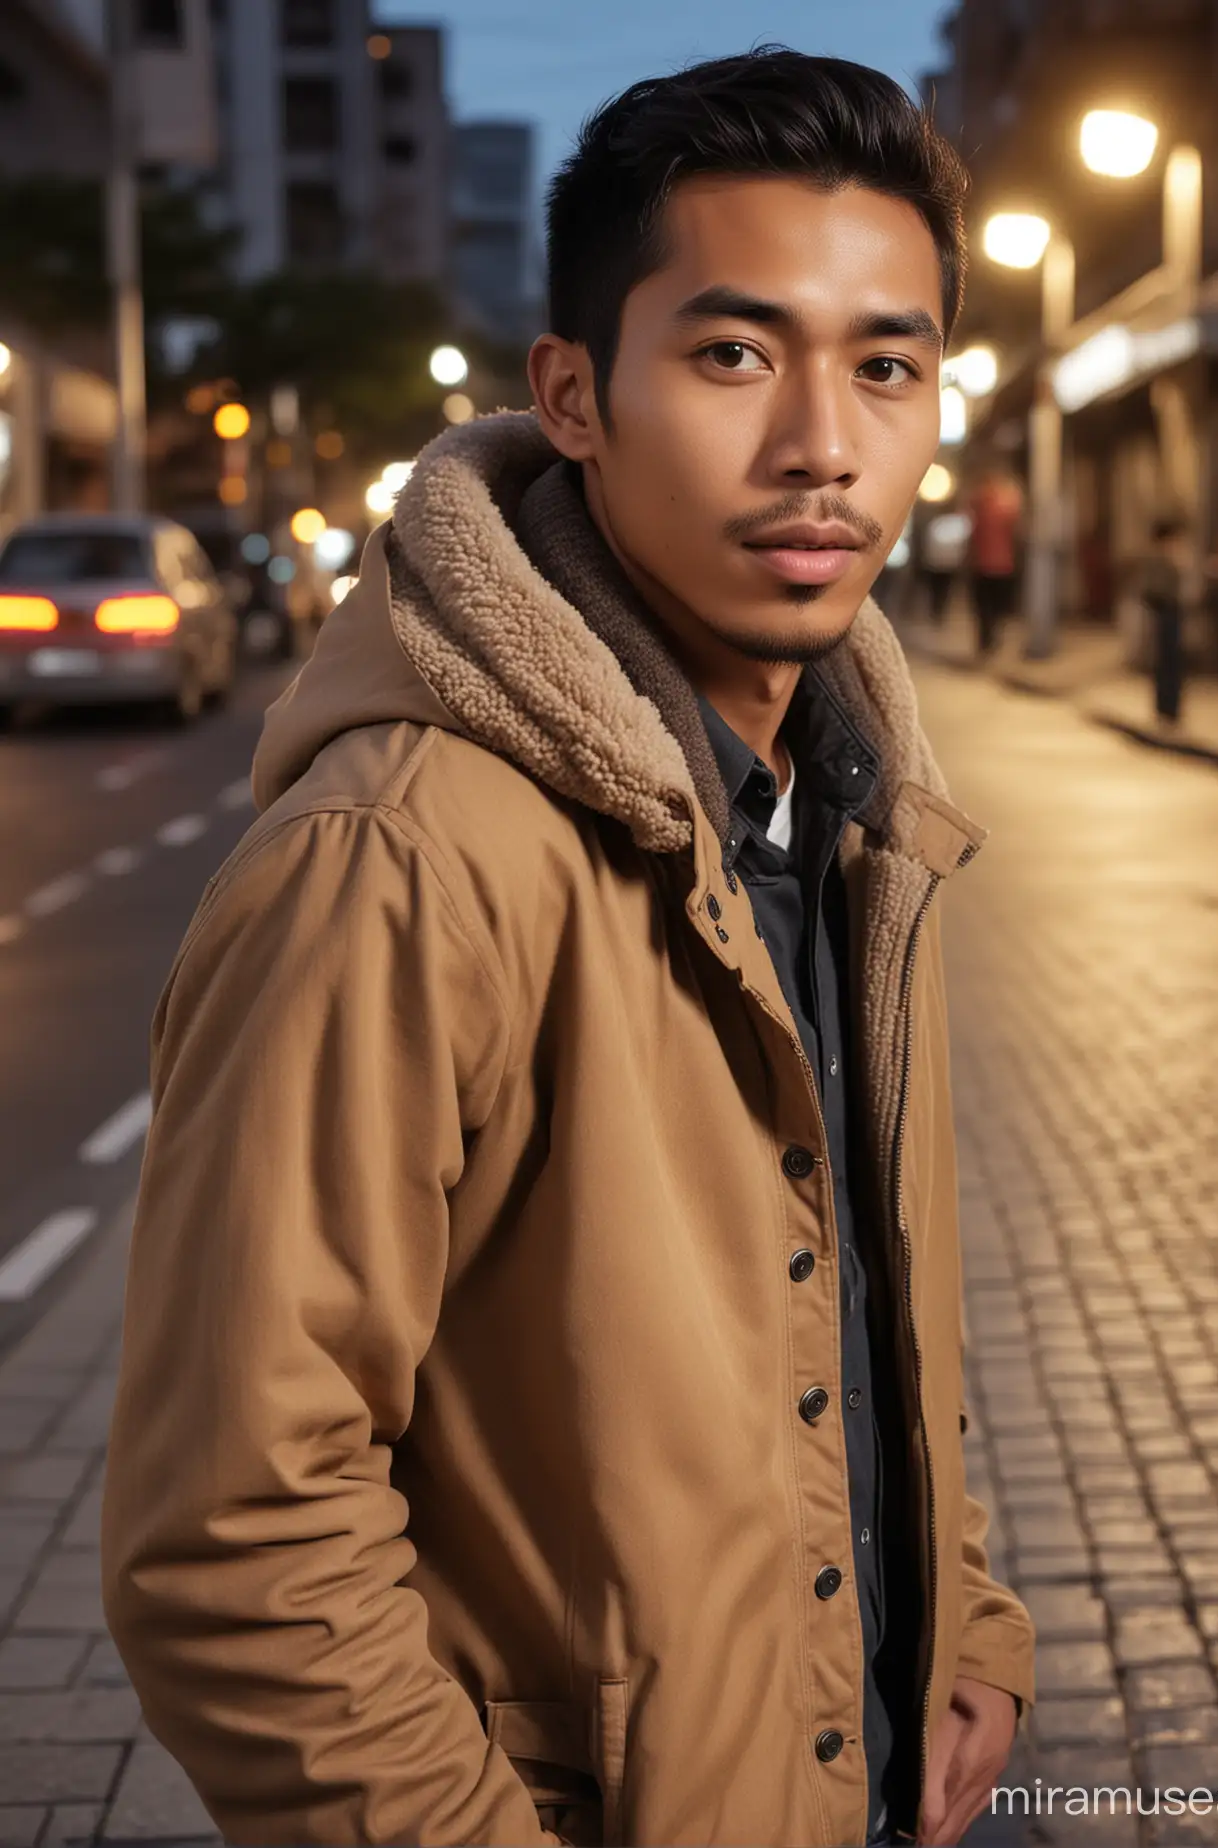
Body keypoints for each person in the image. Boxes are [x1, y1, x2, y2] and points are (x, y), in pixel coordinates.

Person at [102, 49, 1035, 1848]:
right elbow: (235, 1537)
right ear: (575, 394)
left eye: (886, 366)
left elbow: (848, 1304)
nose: (821, 446)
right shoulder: (399, 858)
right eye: (733, 353)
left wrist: (965, 1623)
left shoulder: (846, 806)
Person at [965, 467, 1022, 656]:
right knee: (994, 608)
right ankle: (989, 641)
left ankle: (987, 642)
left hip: (987, 565)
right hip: (1000, 565)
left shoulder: (980, 503)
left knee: (986, 609)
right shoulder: (1006, 503)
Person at [1139, 514, 1189, 723]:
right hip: (1165, 612)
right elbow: (1156, 589)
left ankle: (1170, 707)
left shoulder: (1170, 558)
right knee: (1167, 660)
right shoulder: (1160, 559)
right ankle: (1166, 707)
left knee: (1171, 661)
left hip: (1171, 612)